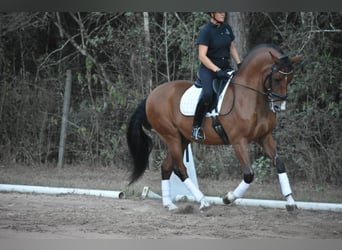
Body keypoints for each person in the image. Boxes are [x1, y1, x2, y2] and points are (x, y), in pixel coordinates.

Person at [191, 12, 242, 141]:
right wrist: (217, 70)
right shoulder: (206, 31)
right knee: (208, 93)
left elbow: (232, 47)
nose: (223, 14)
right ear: (212, 13)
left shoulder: (226, 28)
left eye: (223, 12)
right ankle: (196, 127)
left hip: (225, 68)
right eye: (219, 12)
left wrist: (240, 64)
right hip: (208, 69)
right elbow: (202, 56)